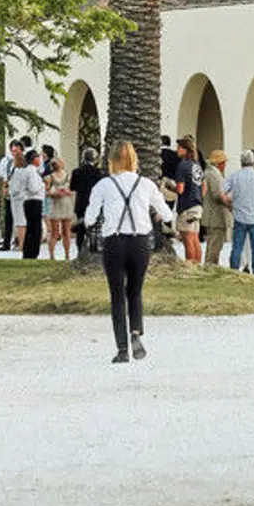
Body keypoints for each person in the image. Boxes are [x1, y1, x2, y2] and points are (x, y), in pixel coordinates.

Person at [83, 140, 169, 363]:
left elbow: (90, 217)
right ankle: (136, 332)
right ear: (134, 159)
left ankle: (122, 349)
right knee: (135, 291)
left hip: (114, 242)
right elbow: (167, 214)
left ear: (111, 159)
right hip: (140, 242)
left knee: (117, 295)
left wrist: (93, 220)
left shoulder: (103, 185)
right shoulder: (146, 184)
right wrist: (157, 215)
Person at [226, 150, 254, 276]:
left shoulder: (235, 176)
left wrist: (229, 204)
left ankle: (234, 270)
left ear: (241, 162)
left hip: (239, 216)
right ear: (253, 161)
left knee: (237, 246)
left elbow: (222, 191)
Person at [171, 135, 205, 265]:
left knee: (188, 239)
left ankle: (190, 266)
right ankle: (197, 266)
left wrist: (170, 187)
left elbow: (180, 189)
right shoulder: (197, 165)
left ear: (185, 149)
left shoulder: (183, 166)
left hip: (186, 206)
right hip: (197, 205)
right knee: (195, 238)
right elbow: (204, 186)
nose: (177, 150)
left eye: (179, 147)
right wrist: (198, 196)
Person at [9, 148, 46, 259]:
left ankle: (28, 251)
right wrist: (43, 185)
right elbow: (33, 187)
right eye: (37, 157)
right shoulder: (32, 171)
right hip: (34, 200)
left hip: (29, 201)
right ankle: (33, 252)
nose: (40, 160)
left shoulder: (27, 170)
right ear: (33, 159)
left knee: (30, 228)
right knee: (35, 229)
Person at [201, 147, 232, 265]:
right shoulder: (214, 174)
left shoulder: (210, 173)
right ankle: (210, 267)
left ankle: (210, 266)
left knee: (213, 244)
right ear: (220, 163)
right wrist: (229, 203)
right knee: (214, 245)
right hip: (215, 216)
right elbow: (218, 195)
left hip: (212, 215)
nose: (225, 165)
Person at [70, 146, 103, 255]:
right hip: (93, 203)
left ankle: (79, 251)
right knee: (93, 228)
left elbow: (72, 187)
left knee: (80, 230)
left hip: (80, 204)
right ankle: (92, 251)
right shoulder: (98, 172)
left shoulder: (76, 171)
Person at [45, 157, 76, 260]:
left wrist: (67, 192)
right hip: (55, 204)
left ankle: (67, 255)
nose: (56, 165)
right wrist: (54, 194)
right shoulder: (50, 177)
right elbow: (46, 192)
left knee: (66, 232)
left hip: (66, 203)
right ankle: (51, 255)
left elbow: (73, 191)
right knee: (54, 232)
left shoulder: (67, 176)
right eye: (54, 163)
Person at [0, 139, 22, 251]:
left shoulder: (24, 163)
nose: (14, 153)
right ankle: (6, 243)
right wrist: (5, 187)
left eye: (17, 150)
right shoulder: (8, 162)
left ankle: (19, 241)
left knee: (20, 219)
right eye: (13, 151)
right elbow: (5, 176)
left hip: (20, 194)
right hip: (9, 193)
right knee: (8, 217)